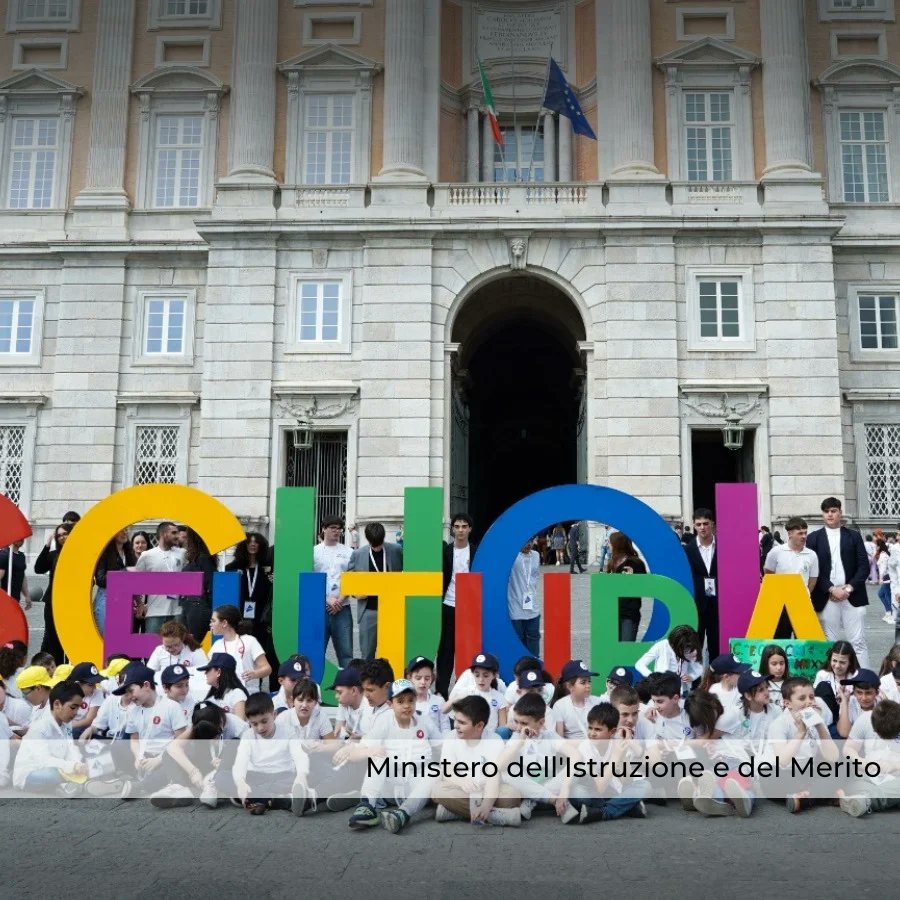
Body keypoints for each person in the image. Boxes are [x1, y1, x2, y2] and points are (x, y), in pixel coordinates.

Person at [433, 695, 521, 825]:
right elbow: (448, 770)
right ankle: (495, 816)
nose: (456, 726)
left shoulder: (494, 740)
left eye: (462, 723)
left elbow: (494, 775)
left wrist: (486, 804)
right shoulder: (451, 738)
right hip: (463, 789)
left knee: (512, 795)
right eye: (456, 720)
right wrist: (462, 781)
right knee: (437, 790)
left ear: (479, 725)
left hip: (488, 788)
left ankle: (455, 812)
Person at [805, 498, 871, 666]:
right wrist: (831, 589)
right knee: (829, 642)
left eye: (833, 511)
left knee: (858, 641)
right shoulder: (813, 538)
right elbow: (813, 571)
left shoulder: (854, 536)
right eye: (826, 511)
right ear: (823, 514)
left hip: (852, 595)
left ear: (840, 512)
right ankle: (831, 681)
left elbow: (864, 567)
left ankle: (864, 681)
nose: (830, 514)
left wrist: (848, 589)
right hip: (827, 596)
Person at [562, 702, 648, 823]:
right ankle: (626, 807)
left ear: (612, 732)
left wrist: (623, 756)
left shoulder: (617, 744)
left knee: (644, 786)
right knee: (577, 792)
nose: (592, 733)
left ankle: (601, 813)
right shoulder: (585, 747)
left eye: (598, 729)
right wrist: (615, 757)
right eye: (590, 728)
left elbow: (626, 781)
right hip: (595, 793)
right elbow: (599, 788)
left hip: (614, 791)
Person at [235, 692, 310, 816]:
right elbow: (241, 762)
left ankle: (262, 801)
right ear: (249, 722)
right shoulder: (248, 736)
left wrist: (301, 776)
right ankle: (283, 801)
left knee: (309, 775)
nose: (260, 728)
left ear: (274, 715)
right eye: (254, 724)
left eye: (264, 721)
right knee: (227, 777)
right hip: (258, 777)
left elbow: (299, 756)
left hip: (284, 777)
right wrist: (241, 782)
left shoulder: (288, 731)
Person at [12, 681, 88, 794]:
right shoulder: (40, 727)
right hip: (31, 773)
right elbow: (44, 760)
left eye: (78, 708)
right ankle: (65, 786)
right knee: (52, 774)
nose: (76, 713)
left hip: (58, 767)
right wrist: (72, 766)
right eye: (73, 707)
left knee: (86, 765)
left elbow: (71, 748)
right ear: (57, 704)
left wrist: (78, 763)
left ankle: (65, 786)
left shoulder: (65, 723)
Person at [225, 532, 278, 687]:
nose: (253, 545)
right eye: (249, 542)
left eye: (256, 542)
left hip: (260, 618)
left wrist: (273, 582)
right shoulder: (233, 568)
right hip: (239, 618)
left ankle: (258, 685)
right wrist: (234, 577)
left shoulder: (266, 570)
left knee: (259, 651)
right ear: (244, 545)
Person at [347, 522, 403, 661]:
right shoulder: (358, 554)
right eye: (374, 544)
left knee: (392, 654)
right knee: (367, 654)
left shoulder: (395, 550)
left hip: (392, 609)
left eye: (379, 543)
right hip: (368, 610)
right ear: (368, 539)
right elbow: (349, 579)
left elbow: (406, 573)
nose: (377, 548)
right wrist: (355, 593)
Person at [436, 512, 476, 698]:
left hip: (469, 607)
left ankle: (466, 689)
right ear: (452, 529)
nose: (460, 530)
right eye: (457, 526)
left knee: (468, 648)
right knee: (445, 650)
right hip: (448, 604)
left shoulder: (476, 551)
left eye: (464, 526)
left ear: (470, 529)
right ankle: (442, 690)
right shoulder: (445, 551)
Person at [838, 699, 900, 817]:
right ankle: (872, 799)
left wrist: (894, 765)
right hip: (868, 775)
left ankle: (865, 800)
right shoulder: (865, 719)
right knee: (852, 782)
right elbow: (848, 749)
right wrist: (863, 763)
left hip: (896, 775)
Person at [763, 516, 819, 639]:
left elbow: (813, 579)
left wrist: (804, 594)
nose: (804, 536)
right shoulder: (776, 552)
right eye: (800, 533)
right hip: (780, 606)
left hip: (802, 604)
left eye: (805, 533)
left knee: (805, 641)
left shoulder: (812, 555)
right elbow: (768, 573)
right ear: (790, 534)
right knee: (781, 640)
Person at [314, 516, 354, 668]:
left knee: (346, 653)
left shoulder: (348, 551)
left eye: (339, 528)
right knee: (316, 650)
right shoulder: (314, 552)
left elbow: (350, 577)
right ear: (324, 529)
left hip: (342, 607)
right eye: (332, 528)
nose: (336, 531)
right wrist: (326, 599)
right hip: (320, 606)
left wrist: (340, 599)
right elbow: (312, 578)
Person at [134, 521, 185, 634]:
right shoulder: (147, 555)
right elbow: (135, 582)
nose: (177, 536)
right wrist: (140, 604)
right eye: (174, 533)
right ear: (163, 534)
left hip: (177, 611)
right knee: (151, 648)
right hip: (155, 612)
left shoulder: (182, 553)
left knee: (177, 648)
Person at [208, 604, 271, 693]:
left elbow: (267, 668)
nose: (210, 624)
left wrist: (255, 674)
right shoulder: (216, 646)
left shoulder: (250, 641)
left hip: (249, 695)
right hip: (225, 697)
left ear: (224, 623)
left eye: (213, 621)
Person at [33, 521, 73, 663]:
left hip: (71, 602)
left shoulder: (79, 555)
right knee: (53, 639)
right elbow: (38, 568)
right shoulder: (53, 554)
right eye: (59, 535)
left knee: (70, 640)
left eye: (65, 534)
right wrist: (47, 544)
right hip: (52, 603)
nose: (62, 537)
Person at [444, 652, 508, 736]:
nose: (481, 679)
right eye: (477, 675)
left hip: (489, 741)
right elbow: (444, 710)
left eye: (486, 676)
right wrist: (458, 698)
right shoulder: (467, 691)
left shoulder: (499, 697)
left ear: (494, 675)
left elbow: (502, 727)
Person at [685, 508, 719, 659]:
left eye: (706, 523)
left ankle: (716, 681)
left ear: (713, 524)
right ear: (694, 525)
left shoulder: (724, 547)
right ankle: (695, 681)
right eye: (698, 524)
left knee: (717, 648)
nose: (702, 527)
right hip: (696, 605)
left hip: (719, 605)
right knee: (694, 649)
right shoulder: (687, 550)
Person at [93, 529, 136, 637]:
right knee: (107, 638)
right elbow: (100, 579)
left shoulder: (129, 553)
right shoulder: (105, 553)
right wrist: (124, 572)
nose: (125, 532)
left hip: (125, 599)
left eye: (127, 530)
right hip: (107, 597)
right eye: (121, 530)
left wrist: (138, 602)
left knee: (121, 639)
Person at [634, 624, 703, 689]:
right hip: (661, 688)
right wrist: (653, 677)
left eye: (687, 649)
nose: (686, 651)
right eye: (683, 649)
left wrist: (692, 676)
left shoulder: (690, 649)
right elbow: (639, 664)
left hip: (681, 689)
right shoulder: (661, 646)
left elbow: (698, 668)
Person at [179, 528, 217, 642]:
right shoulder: (196, 558)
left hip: (198, 605)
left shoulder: (202, 558)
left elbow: (211, 583)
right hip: (190, 605)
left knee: (193, 643)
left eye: (187, 538)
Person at [551, 659, 602, 740]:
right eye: (583, 682)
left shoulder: (598, 702)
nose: (588, 685)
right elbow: (559, 741)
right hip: (571, 750)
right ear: (570, 686)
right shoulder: (559, 706)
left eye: (589, 681)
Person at [507, 537, 541, 656]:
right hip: (515, 605)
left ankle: (534, 666)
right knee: (518, 639)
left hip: (532, 606)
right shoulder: (511, 556)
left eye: (531, 541)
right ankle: (520, 669)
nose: (528, 544)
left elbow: (535, 576)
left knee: (534, 637)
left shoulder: (536, 555)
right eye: (525, 541)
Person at [198, 651, 250, 719]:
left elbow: (241, 726)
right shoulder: (211, 697)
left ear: (219, 672)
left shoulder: (237, 694)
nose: (205, 673)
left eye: (208, 669)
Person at [0, 538, 30, 612]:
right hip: (5, 599)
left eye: (22, 538)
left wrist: (27, 596)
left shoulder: (21, 556)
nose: (21, 539)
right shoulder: (4, 555)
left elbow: (22, 577)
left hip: (16, 598)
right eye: (18, 537)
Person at [760, 644, 790, 709]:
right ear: (765, 664)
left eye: (782, 663)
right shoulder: (760, 685)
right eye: (774, 664)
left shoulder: (792, 684)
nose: (779, 668)